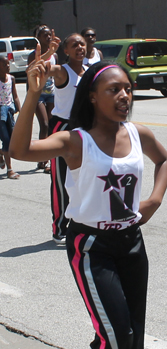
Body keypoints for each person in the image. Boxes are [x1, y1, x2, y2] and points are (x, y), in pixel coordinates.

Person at [10, 50, 167, 349]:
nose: (124, 95)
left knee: (133, 331)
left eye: (127, 89)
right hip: (91, 248)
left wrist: (153, 201)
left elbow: (165, 160)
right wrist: (31, 96)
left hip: (132, 244)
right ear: (93, 97)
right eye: (113, 89)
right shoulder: (75, 140)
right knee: (116, 335)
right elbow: (20, 150)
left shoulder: (138, 133)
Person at [46, 33, 87, 244]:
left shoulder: (89, 73)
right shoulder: (63, 72)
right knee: (61, 181)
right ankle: (59, 228)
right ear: (67, 51)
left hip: (84, 129)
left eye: (82, 43)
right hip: (63, 127)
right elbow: (42, 70)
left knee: (85, 178)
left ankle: (82, 223)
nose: (80, 47)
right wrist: (48, 53)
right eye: (74, 44)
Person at [28, 25, 59, 173]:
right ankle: (41, 159)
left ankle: (51, 158)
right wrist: (49, 52)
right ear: (38, 38)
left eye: (49, 35)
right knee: (45, 124)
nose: (48, 37)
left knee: (52, 125)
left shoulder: (55, 56)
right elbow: (32, 69)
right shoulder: (34, 54)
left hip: (51, 93)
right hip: (38, 94)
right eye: (44, 35)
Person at [0, 56, 21, 179]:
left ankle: (1, 152)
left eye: (8, 64)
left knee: (12, 140)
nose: (8, 66)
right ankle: (10, 170)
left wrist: (20, 110)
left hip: (9, 111)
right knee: (6, 140)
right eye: (4, 64)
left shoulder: (11, 79)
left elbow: (15, 95)